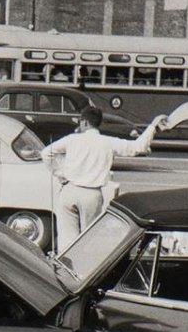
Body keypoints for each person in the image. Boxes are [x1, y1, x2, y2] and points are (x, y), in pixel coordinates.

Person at [41, 105, 166, 253]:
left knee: (67, 237)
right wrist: (152, 126)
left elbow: (46, 153)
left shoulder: (72, 140)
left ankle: (65, 266)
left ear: (85, 122)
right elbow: (137, 147)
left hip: (69, 189)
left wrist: (60, 174)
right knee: (88, 238)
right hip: (92, 194)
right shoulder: (107, 142)